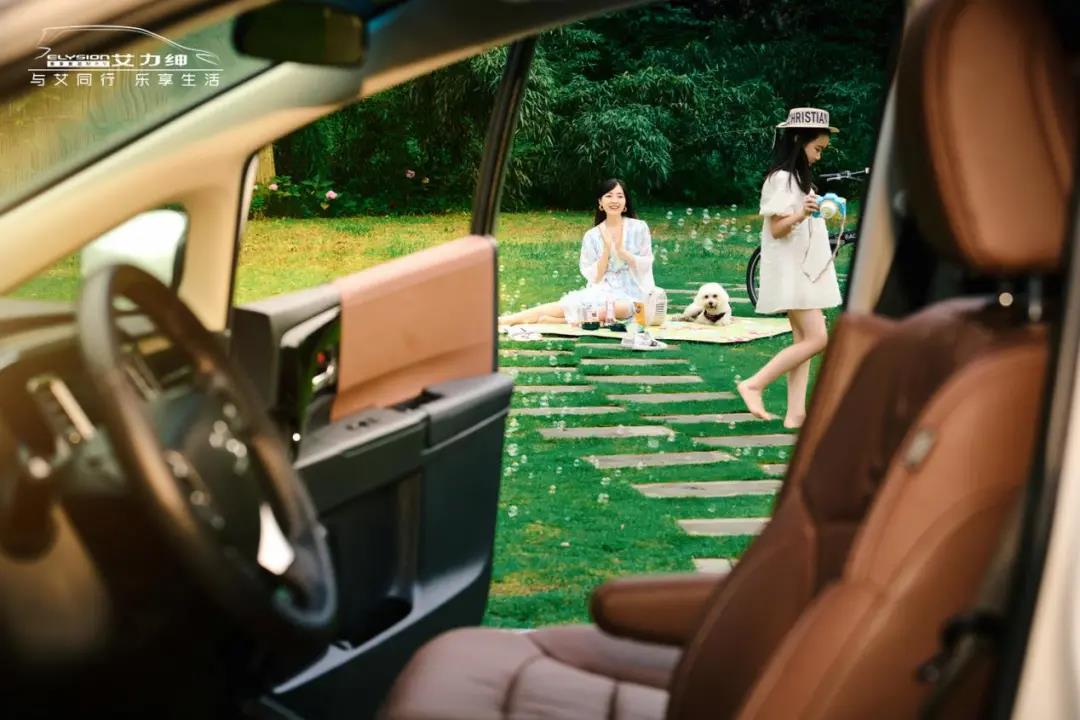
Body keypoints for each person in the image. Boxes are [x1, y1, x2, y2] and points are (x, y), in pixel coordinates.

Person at [737, 107, 843, 429]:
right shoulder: (781, 179)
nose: (819, 156)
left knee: (803, 340)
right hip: (792, 271)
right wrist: (801, 213)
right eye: (817, 149)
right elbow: (776, 229)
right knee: (818, 338)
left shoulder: (798, 179)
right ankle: (754, 384)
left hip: (803, 269)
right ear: (799, 140)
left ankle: (796, 415)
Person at [498, 178, 656, 326]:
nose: (614, 200)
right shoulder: (592, 235)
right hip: (603, 291)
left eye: (620, 196)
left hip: (633, 294)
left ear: (625, 202)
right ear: (600, 202)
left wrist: (621, 251)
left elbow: (645, 264)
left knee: (615, 309)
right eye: (609, 196)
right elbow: (595, 277)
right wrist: (606, 250)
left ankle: (563, 321)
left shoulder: (639, 228)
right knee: (567, 304)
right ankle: (505, 320)